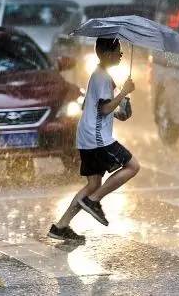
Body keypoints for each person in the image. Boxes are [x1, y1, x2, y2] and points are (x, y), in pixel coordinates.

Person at [48, 38, 140, 241]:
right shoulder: (102, 78)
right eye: (118, 51)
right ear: (108, 54)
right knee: (133, 166)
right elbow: (104, 108)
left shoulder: (102, 76)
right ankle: (94, 201)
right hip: (97, 138)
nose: (121, 55)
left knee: (93, 183)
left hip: (88, 136)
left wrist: (123, 105)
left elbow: (107, 109)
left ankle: (60, 226)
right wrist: (124, 92)